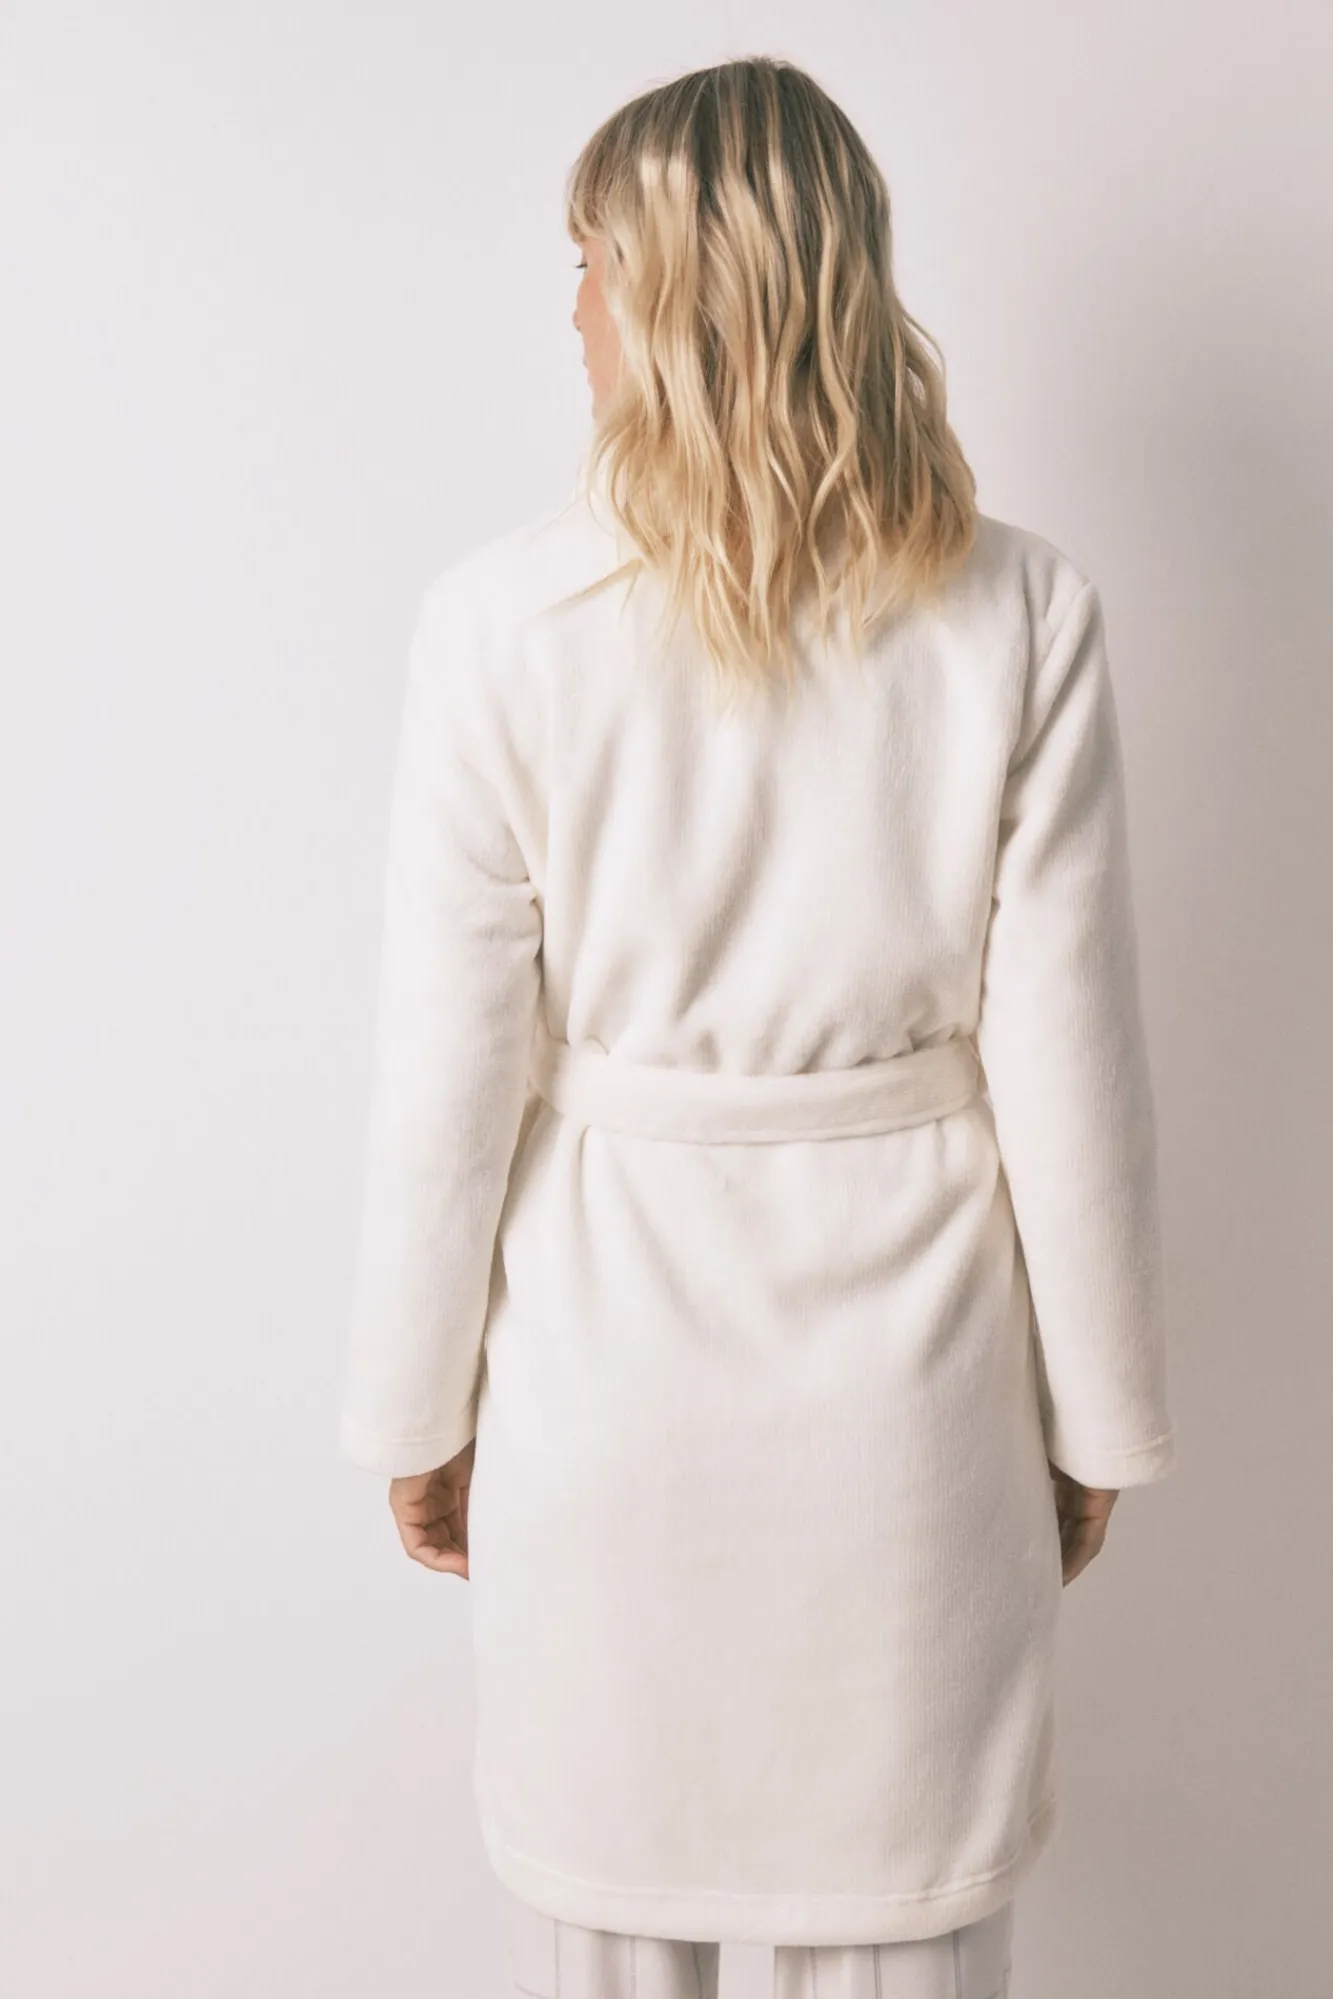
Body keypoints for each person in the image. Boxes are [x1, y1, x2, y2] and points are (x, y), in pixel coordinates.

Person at [339, 55, 1179, 1999]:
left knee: (613, 1932)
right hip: (915, 1402)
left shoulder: (496, 626)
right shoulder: (1020, 612)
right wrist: (1095, 1412)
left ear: (668, 291)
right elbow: (1073, 1066)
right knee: (906, 1936)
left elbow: (447, 1082)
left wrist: (416, 1410)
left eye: (589, 261)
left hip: (603, 1388)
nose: (568, 307)